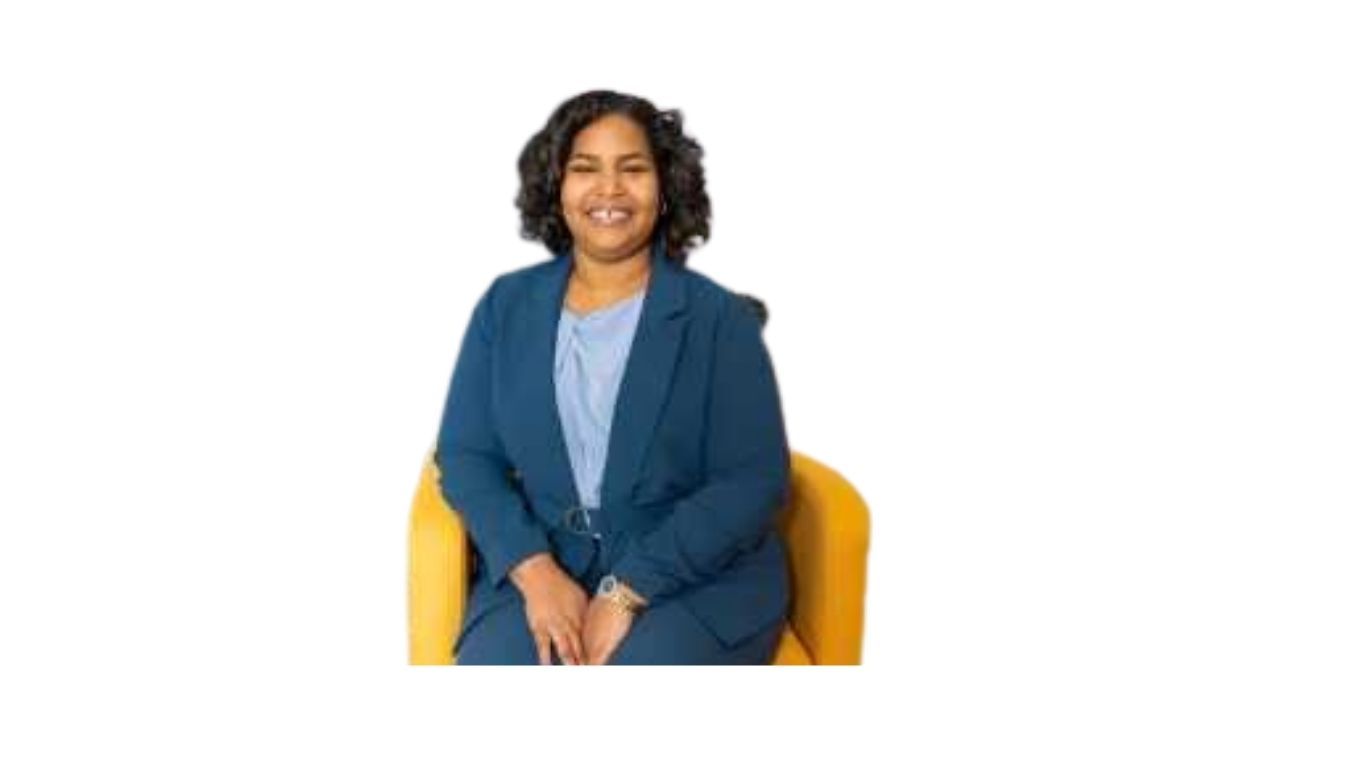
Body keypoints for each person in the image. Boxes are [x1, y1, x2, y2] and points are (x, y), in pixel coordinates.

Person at [436, 90, 791, 665]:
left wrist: (626, 590)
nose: (609, 189)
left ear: (666, 188)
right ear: (556, 185)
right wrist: (536, 572)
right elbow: (466, 455)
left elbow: (750, 481)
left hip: (692, 579)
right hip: (545, 565)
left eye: (633, 169)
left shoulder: (720, 319)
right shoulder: (504, 307)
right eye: (585, 169)